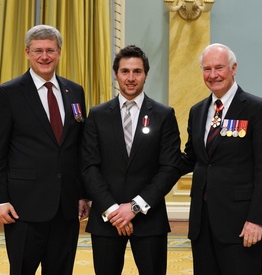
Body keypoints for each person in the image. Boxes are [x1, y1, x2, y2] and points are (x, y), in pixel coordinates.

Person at [0, 25, 90, 275]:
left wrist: (82, 194)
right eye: (38, 51)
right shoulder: (8, 93)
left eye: (50, 50)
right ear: (27, 53)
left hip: (66, 206)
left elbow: (79, 148)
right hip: (23, 207)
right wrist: (0, 200)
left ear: (59, 52)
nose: (44, 56)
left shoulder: (75, 91)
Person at [81, 45, 182, 275]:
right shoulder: (97, 115)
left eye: (137, 71)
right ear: (115, 74)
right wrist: (113, 209)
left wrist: (135, 207)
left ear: (146, 74)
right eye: (125, 71)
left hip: (149, 218)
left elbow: (170, 167)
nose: (130, 78)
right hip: (107, 219)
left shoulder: (163, 115)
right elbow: (89, 166)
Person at [181, 43, 262, 275]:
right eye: (207, 69)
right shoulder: (197, 111)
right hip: (203, 224)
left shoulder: (256, 109)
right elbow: (192, 157)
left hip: (241, 225)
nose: (213, 75)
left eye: (219, 68)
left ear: (233, 68)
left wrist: (257, 220)